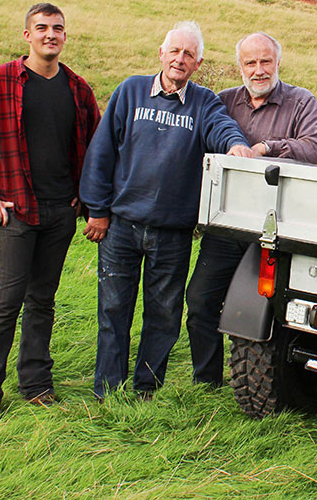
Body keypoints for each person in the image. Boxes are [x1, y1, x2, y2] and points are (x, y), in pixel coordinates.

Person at [79, 21, 253, 400]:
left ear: (198, 63)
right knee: (113, 310)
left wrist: (236, 145)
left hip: (172, 233)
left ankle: (146, 388)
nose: (180, 59)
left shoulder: (204, 102)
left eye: (188, 54)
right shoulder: (130, 91)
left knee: (163, 315)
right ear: (161, 53)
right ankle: (107, 389)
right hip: (121, 226)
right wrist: (96, 209)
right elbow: (101, 152)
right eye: (174, 51)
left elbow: (222, 126)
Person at [0, 3, 101, 427]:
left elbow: (97, 149)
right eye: (41, 28)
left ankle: (36, 385)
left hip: (60, 212)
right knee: (5, 302)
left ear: (65, 36)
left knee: (43, 301)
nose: (49, 35)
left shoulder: (77, 88)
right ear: (27, 36)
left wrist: (85, 200)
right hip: (14, 212)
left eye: (57, 28)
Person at [185, 31, 317, 386]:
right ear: (240, 66)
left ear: (278, 62)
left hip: (276, 230)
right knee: (200, 301)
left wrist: (265, 148)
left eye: (266, 61)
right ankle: (207, 380)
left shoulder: (300, 102)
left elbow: (314, 150)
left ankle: (256, 375)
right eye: (251, 62)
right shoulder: (223, 101)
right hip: (227, 226)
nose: (259, 70)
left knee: (258, 311)